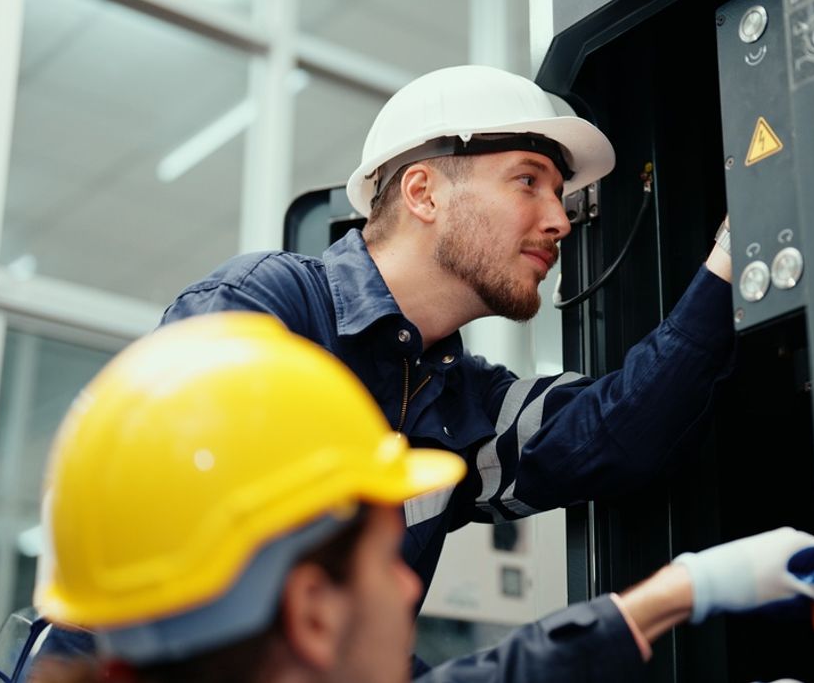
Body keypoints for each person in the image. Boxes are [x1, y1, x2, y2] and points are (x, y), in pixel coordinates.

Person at [158, 64, 738, 642]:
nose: (561, 221)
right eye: (528, 181)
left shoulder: (460, 401)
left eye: (561, 196)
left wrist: (730, 263)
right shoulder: (263, 309)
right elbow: (203, 595)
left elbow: (618, 430)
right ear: (423, 193)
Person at [0, 313, 814, 683]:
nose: (408, 582)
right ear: (313, 612)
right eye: (384, 560)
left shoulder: (450, 387)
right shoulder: (270, 310)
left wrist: (684, 591)